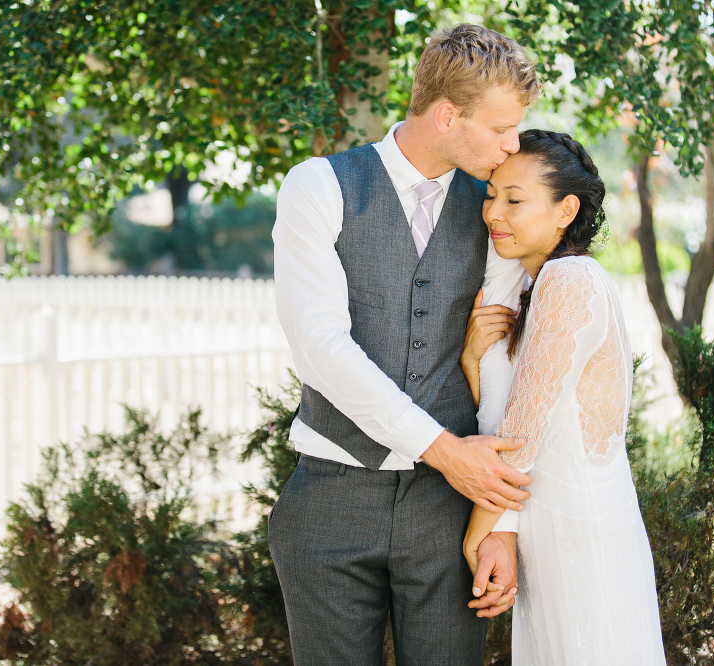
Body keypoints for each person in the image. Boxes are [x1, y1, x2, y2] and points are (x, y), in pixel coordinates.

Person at [269, 25, 541, 666]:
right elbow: (320, 349)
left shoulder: (493, 208)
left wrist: (501, 521)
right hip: (331, 498)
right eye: (502, 128)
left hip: (445, 516)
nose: (514, 145)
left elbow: (506, 360)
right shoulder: (319, 187)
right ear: (448, 115)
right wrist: (447, 451)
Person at [461, 130, 668, 664]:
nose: (493, 213)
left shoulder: (569, 279)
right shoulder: (537, 286)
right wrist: (469, 359)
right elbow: (515, 413)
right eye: (490, 195)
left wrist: (478, 534)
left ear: (565, 209)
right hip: (547, 529)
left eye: (514, 199)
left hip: (581, 531)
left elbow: (521, 436)